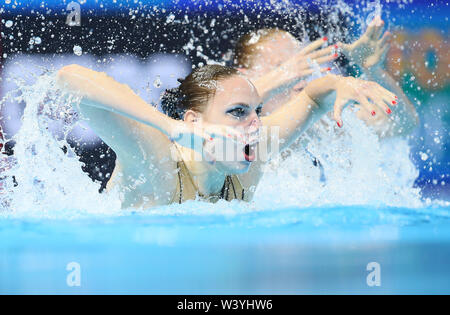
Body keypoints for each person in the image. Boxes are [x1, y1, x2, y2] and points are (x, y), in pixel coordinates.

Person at [57, 64, 397, 209]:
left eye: (256, 112)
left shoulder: (252, 158)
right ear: (194, 121)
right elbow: (70, 78)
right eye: (238, 113)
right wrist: (172, 127)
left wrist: (341, 83)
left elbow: (311, 98)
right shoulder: (157, 161)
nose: (255, 124)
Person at [234, 16, 419, 138]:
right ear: (245, 78)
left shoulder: (323, 122)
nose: (298, 79)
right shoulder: (230, 134)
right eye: (282, 68)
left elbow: (403, 125)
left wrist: (374, 72)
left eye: (304, 66)